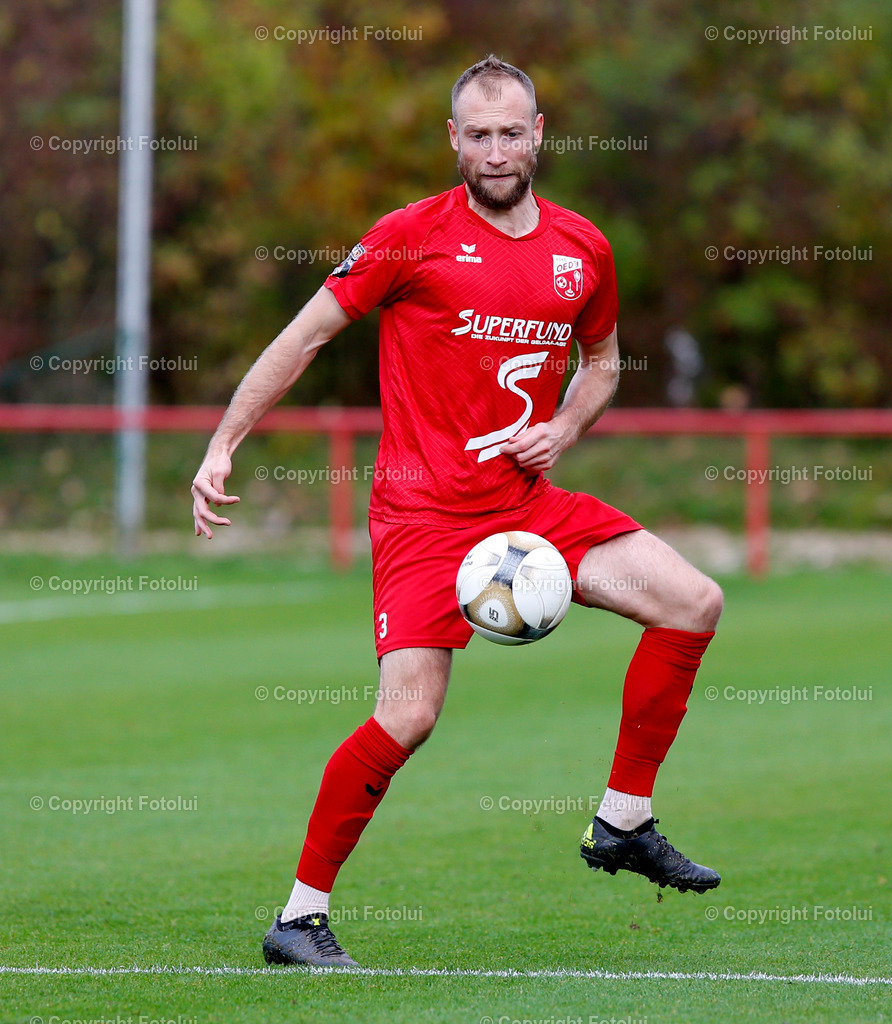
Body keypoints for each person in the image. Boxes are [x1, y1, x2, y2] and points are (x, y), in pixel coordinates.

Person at [191, 55, 723, 969]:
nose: (495, 150)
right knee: (409, 715)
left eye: (511, 132)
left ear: (538, 133)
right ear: (453, 139)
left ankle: (622, 821)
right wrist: (223, 441)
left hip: (527, 504)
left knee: (692, 602)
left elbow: (602, 363)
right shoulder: (409, 236)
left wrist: (561, 429)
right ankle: (299, 919)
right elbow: (305, 335)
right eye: (478, 135)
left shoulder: (581, 248)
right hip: (423, 516)